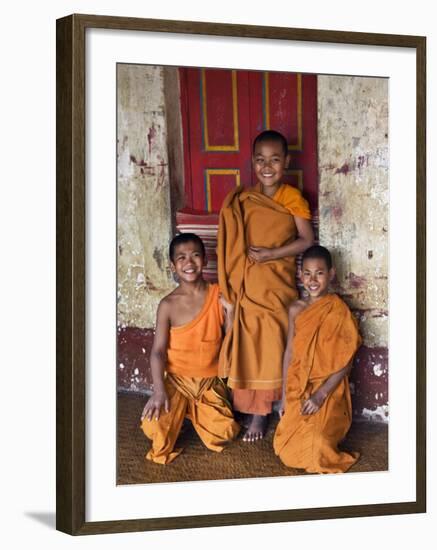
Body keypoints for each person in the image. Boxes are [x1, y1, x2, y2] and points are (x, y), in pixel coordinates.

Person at [217, 130, 314, 442]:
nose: (267, 166)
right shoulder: (245, 199)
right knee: (246, 340)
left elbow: (306, 240)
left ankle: (261, 413)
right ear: (253, 163)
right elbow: (234, 240)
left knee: (270, 340)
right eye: (261, 160)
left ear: (286, 162)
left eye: (275, 159)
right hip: (248, 282)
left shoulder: (292, 198)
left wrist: (272, 253)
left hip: (276, 284)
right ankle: (247, 406)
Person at [140, 233, 240, 464]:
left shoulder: (218, 294)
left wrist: (231, 312)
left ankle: (191, 414)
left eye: (195, 255)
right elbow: (158, 351)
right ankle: (181, 412)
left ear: (205, 260)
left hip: (208, 380)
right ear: (173, 266)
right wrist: (158, 391)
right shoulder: (167, 305)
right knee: (153, 428)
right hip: (176, 381)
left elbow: (230, 340)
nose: (189, 262)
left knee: (223, 433)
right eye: (182, 258)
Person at [273, 245, 362, 473]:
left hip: (329, 388)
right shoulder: (296, 309)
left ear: (331, 274)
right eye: (308, 273)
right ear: (301, 275)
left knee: (319, 448)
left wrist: (321, 395)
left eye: (319, 273)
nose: (313, 280)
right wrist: (284, 396)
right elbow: (289, 353)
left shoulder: (339, 311)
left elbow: (346, 361)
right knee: (284, 449)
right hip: (298, 384)